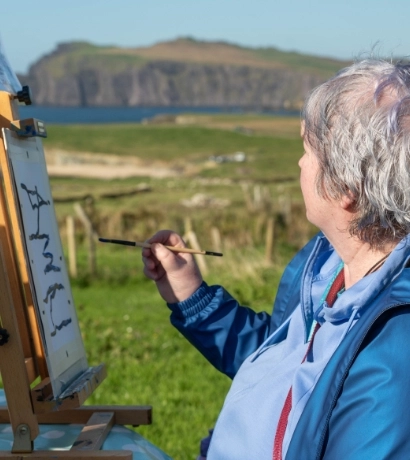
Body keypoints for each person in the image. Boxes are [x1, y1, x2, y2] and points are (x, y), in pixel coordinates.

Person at [142, 58, 410, 459]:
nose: (300, 163)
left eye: (308, 149)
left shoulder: (394, 355)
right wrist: (193, 298)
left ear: (345, 188)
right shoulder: (327, 263)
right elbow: (281, 365)